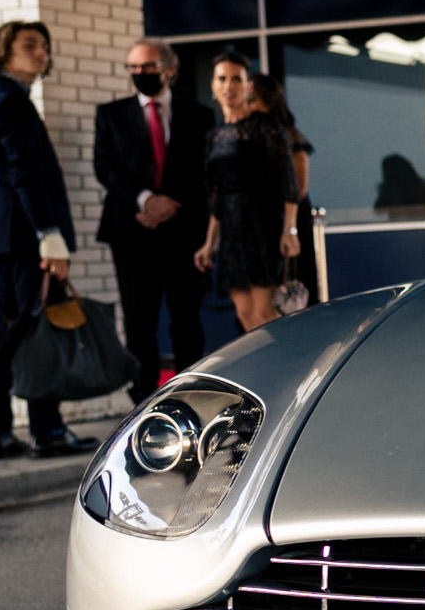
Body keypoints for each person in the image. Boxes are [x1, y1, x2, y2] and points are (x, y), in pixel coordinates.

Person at [0, 20, 95, 460]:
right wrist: (49, 237)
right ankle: (46, 432)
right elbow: (25, 175)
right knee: (33, 329)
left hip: (6, 234)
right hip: (26, 238)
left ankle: (1, 432)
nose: (41, 53)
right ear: (4, 52)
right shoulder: (10, 103)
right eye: (29, 46)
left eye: (43, 46)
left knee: (7, 333)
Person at [93, 38, 211, 403]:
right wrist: (145, 200)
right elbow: (104, 168)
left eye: (148, 66)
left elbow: (203, 169)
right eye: (134, 67)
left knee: (186, 318)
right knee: (138, 319)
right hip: (131, 230)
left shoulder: (199, 115)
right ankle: (143, 398)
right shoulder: (110, 114)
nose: (140, 73)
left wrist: (170, 203)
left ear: (169, 70)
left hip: (183, 229)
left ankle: (191, 393)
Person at [194, 51, 299, 332]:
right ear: (213, 85)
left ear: (248, 86)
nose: (229, 86)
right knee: (245, 315)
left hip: (261, 223)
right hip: (229, 227)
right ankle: (266, 374)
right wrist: (209, 242)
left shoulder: (267, 126)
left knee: (265, 312)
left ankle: (289, 371)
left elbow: (288, 180)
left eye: (236, 79)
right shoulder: (214, 136)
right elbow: (216, 193)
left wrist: (289, 229)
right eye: (222, 79)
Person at [250, 72, 318, 296]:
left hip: (286, 221)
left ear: (267, 101)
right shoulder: (246, 135)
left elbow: (300, 188)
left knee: (291, 290)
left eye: (252, 100)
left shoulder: (288, 135)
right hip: (260, 224)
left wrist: (287, 227)